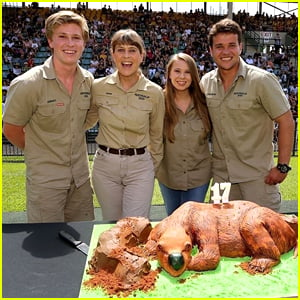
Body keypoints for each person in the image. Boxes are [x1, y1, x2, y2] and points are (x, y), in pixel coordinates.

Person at [2, 10, 95, 223]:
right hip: (46, 184)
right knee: (47, 249)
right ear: (50, 41)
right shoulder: (28, 84)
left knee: (83, 244)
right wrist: (40, 150)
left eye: (76, 37)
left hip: (81, 182)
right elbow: (11, 129)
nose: (70, 44)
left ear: (83, 43)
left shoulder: (88, 80)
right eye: (62, 36)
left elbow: (85, 120)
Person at [200, 18, 295, 212]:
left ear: (241, 47)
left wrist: (283, 166)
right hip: (221, 179)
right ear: (210, 50)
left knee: (264, 239)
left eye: (231, 45)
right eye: (219, 46)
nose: (225, 52)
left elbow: (286, 121)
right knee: (221, 236)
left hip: (257, 178)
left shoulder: (262, 80)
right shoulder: (206, 82)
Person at [85, 29, 165, 221]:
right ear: (112, 54)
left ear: (142, 55)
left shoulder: (154, 93)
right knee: (111, 225)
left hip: (139, 166)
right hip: (105, 167)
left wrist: (149, 167)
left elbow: (157, 135)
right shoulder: (98, 87)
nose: (126, 56)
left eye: (132, 50)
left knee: (135, 227)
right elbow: (86, 120)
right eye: (121, 50)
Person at [156, 53, 212, 215]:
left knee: (192, 221)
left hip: (199, 175)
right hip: (169, 176)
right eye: (177, 71)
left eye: (187, 72)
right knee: (174, 222)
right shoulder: (159, 101)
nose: (182, 76)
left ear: (193, 75)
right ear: (169, 74)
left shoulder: (205, 101)